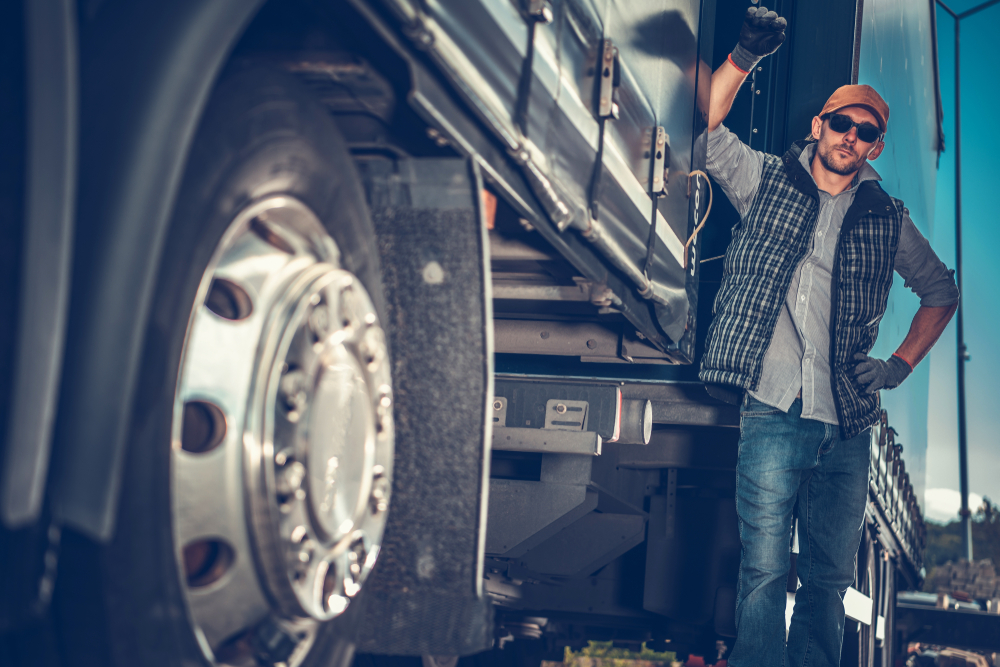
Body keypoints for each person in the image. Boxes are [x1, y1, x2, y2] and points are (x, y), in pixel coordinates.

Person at [700, 6, 960, 667]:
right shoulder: (766, 180)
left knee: (828, 579)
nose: (849, 134)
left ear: (874, 146)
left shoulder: (888, 219)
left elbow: (941, 291)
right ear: (819, 125)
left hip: (847, 424)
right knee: (761, 569)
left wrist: (899, 364)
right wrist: (743, 58)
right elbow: (708, 130)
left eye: (864, 130)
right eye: (840, 121)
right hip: (770, 407)